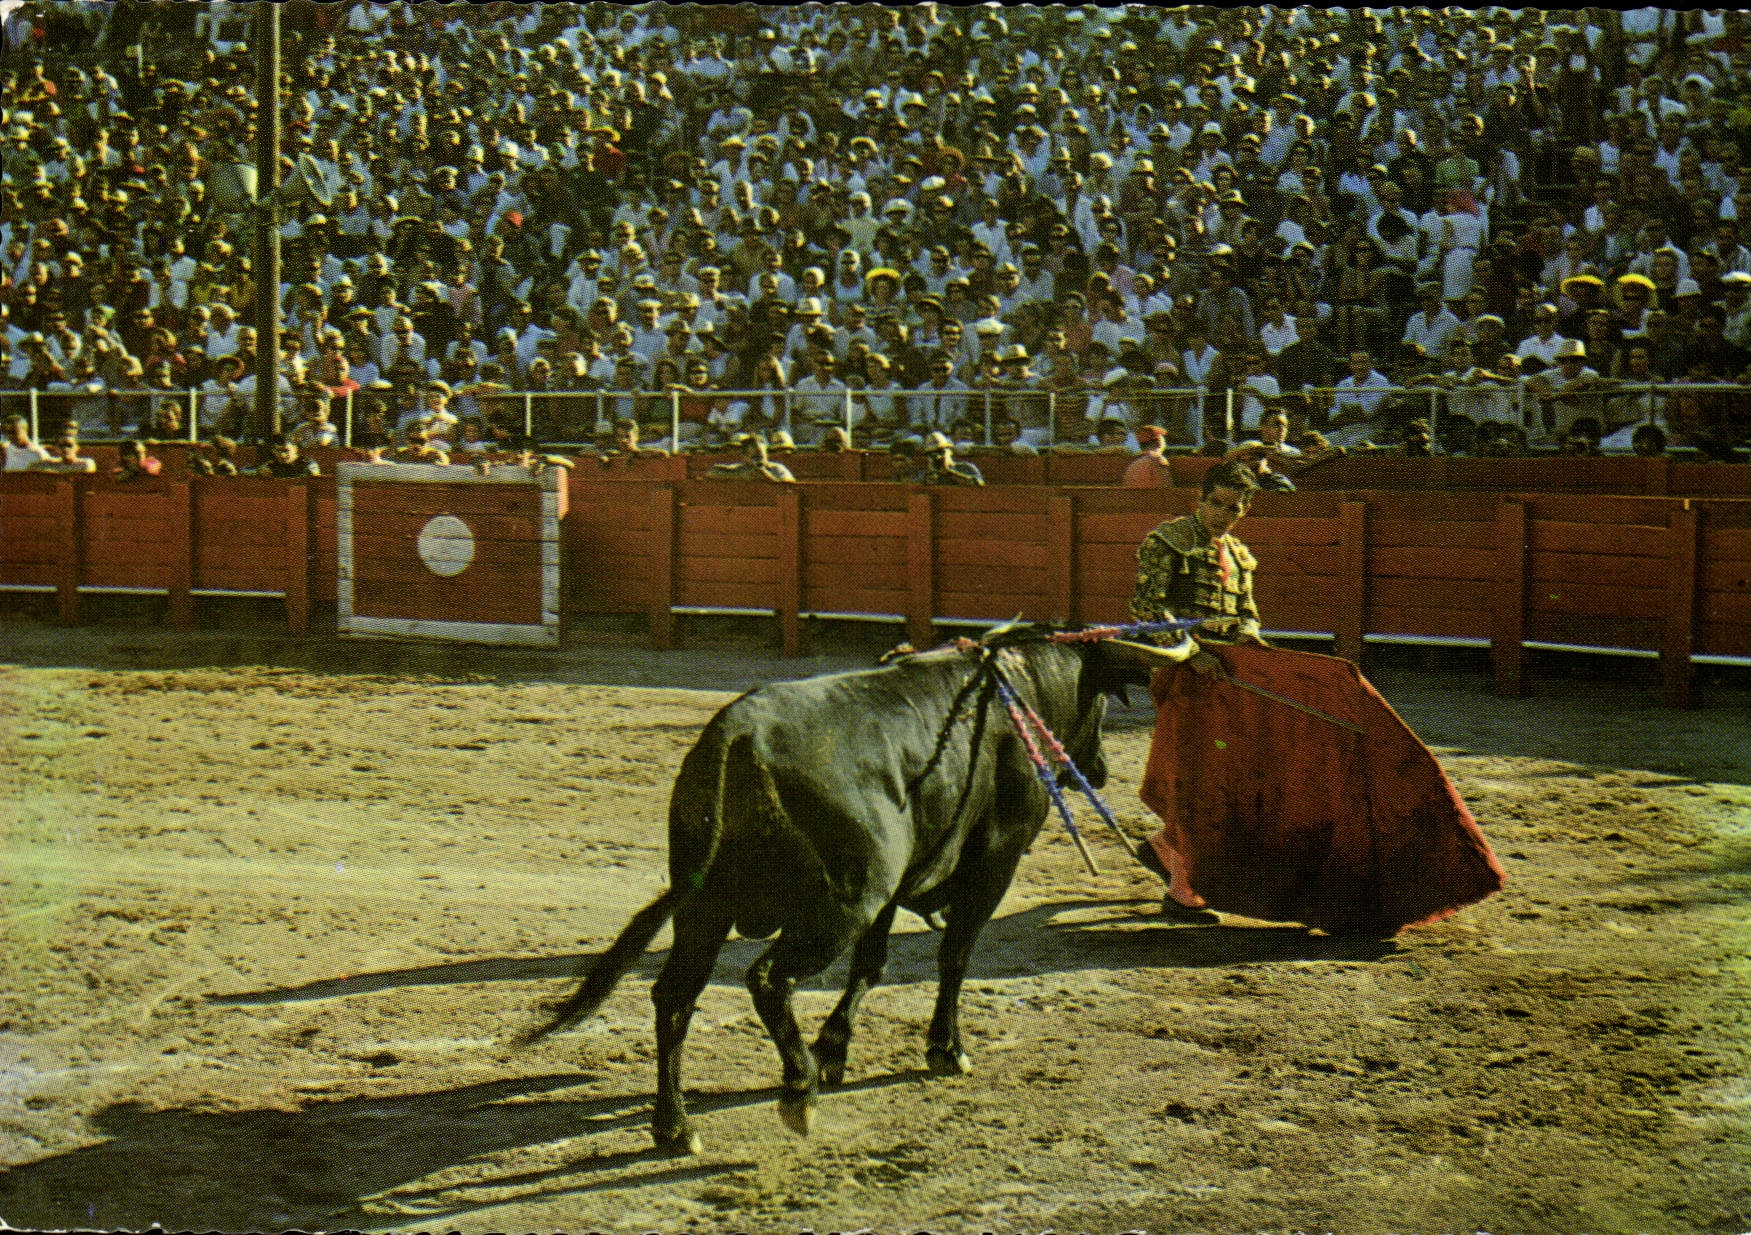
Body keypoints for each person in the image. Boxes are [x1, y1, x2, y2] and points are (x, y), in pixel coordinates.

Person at [1127, 461, 1268, 921]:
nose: (1223, 515)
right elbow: (1148, 608)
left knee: (1220, 774)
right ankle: (1183, 891)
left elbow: (1247, 610)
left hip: (1225, 672)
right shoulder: (1167, 540)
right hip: (1183, 670)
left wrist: (1248, 634)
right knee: (1196, 779)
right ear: (1200, 500)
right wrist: (1190, 654)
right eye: (1217, 504)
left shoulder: (1240, 554)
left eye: (1235, 508)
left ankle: (1165, 848)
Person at [704, 433, 797, 483]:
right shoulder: (740, 469)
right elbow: (711, 472)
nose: (758, 460)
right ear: (745, 456)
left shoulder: (775, 468)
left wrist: (767, 476)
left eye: (761, 456)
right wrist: (739, 476)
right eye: (754, 457)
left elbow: (789, 485)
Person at [917, 431, 984, 486]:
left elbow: (979, 484)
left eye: (940, 451)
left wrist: (950, 473)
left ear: (949, 451)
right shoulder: (927, 476)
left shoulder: (966, 468)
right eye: (930, 454)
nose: (937, 456)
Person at [254, 436, 321, 478]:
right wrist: (259, 471)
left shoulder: (307, 463)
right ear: (273, 452)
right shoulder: (271, 465)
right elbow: (247, 472)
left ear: (295, 449)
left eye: (286, 451)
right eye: (278, 451)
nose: (282, 455)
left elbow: (315, 476)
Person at [29, 432, 96, 473]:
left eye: (69, 445)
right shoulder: (52, 464)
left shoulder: (85, 463)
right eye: (61, 445)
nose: (65, 449)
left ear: (77, 448)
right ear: (56, 448)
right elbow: (32, 467)